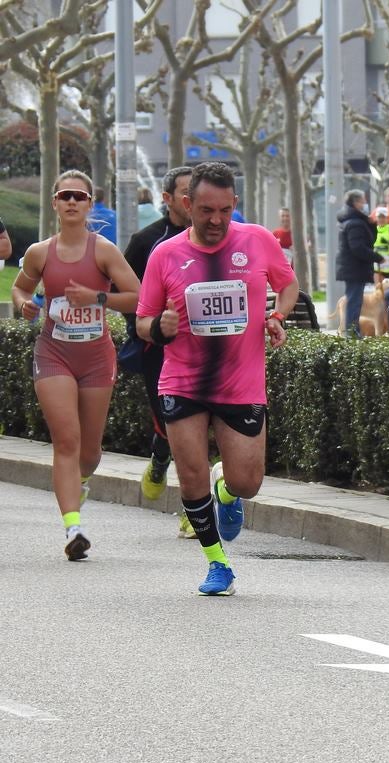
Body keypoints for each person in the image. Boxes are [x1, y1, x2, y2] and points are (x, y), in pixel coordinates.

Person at [136, 161, 298, 596]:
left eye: (225, 210)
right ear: (188, 205)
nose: (216, 220)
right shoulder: (165, 254)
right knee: (191, 476)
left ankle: (228, 493)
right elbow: (142, 320)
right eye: (206, 210)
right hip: (182, 380)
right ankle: (217, 563)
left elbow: (288, 283)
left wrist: (277, 315)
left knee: (249, 482)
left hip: (239, 382)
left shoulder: (258, 240)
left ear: (234, 205)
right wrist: (159, 327)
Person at [9, 170, 140, 560]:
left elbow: (136, 296)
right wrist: (24, 304)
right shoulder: (39, 252)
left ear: (88, 204)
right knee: (66, 440)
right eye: (64, 195)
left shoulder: (103, 250)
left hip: (96, 357)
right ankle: (73, 528)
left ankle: (78, 482)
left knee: (90, 451)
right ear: (54, 202)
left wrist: (96, 298)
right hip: (54, 354)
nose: (71, 202)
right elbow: (20, 287)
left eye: (78, 197)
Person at [123, 166, 194, 531]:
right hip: (159, 349)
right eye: (184, 193)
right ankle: (160, 456)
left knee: (199, 426)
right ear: (167, 199)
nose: (191, 200)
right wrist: (152, 327)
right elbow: (128, 298)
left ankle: (192, 508)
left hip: (206, 349)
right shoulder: (145, 241)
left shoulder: (219, 238)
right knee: (172, 425)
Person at [335, 189, 384, 338]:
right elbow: (358, 247)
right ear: (356, 203)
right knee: (354, 302)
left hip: (353, 268)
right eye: (363, 201)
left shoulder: (354, 220)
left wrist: (371, 225)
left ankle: (353, 334)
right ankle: (352, 335)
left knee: (354, 301)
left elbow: (368, 240)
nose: (365, 204)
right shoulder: (355, 223)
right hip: (355, 268)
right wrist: (376, 257)